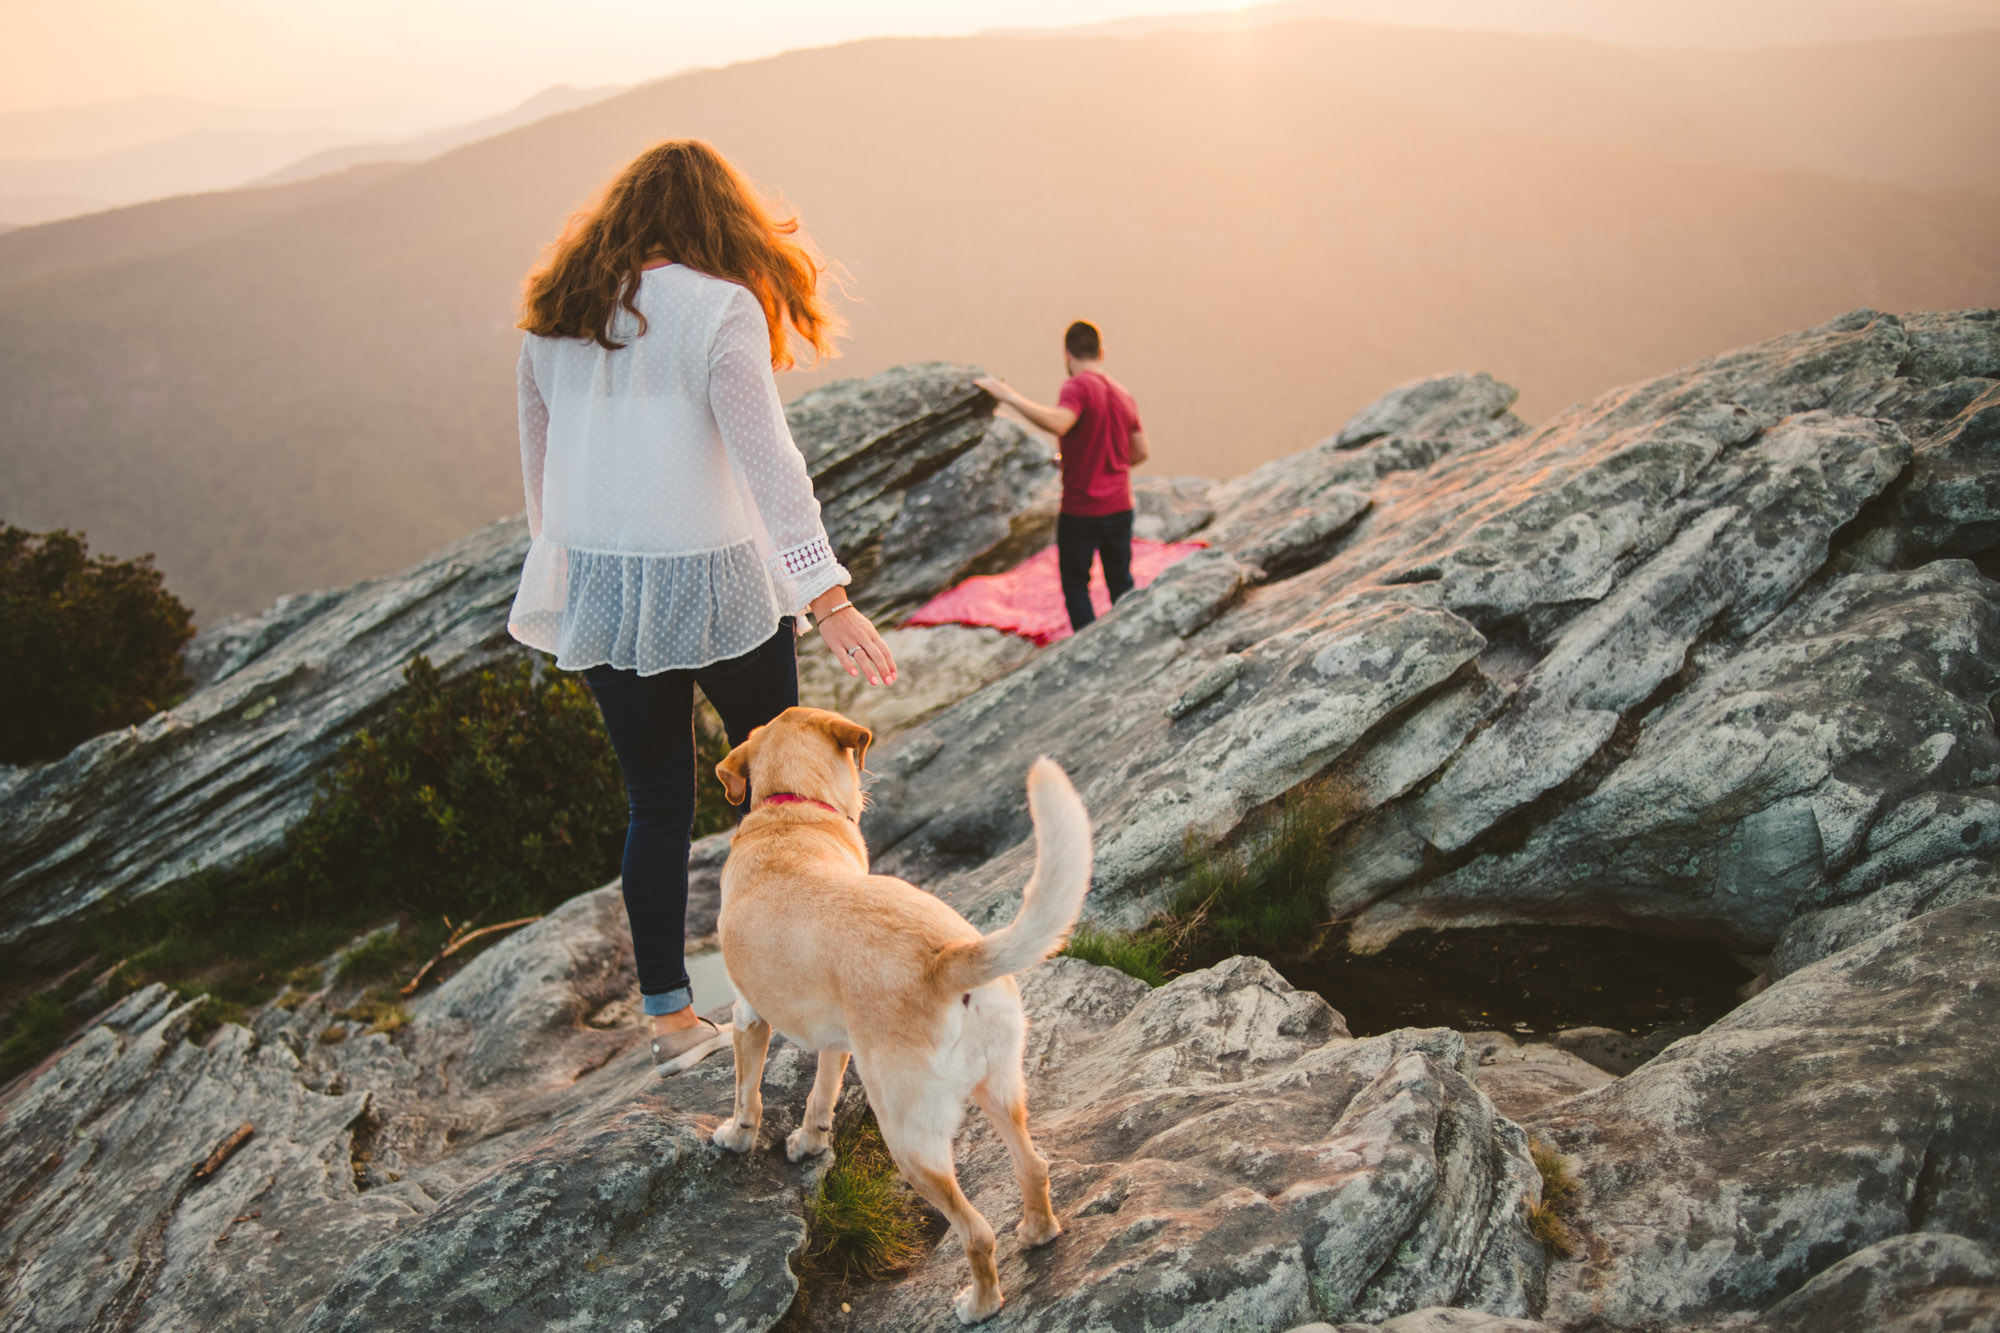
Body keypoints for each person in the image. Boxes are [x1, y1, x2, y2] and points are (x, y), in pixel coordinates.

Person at [507, 139, 897, 1076]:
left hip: (606, 588)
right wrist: (827, 593)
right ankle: (799, 994)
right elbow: (771, 465)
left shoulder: (549, 322)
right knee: (788, 804)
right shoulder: (720, 307)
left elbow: (542, 484)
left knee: (656, 805)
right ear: (719, 221)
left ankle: (675, 1021)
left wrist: (583, 580)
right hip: (722, 586)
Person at [976, 321, 1149, 632]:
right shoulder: (1124, 394)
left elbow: (1060, 423)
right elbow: (1140, 452)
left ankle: (1088, 643)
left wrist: (1009, 396)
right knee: (1120, 580)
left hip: (1083, 509)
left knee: (1076, 583)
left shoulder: (1078, 386)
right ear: (1102, 352)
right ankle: (1131, 637)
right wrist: (1101, 464)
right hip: (1121, 505)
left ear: (1067, 355)